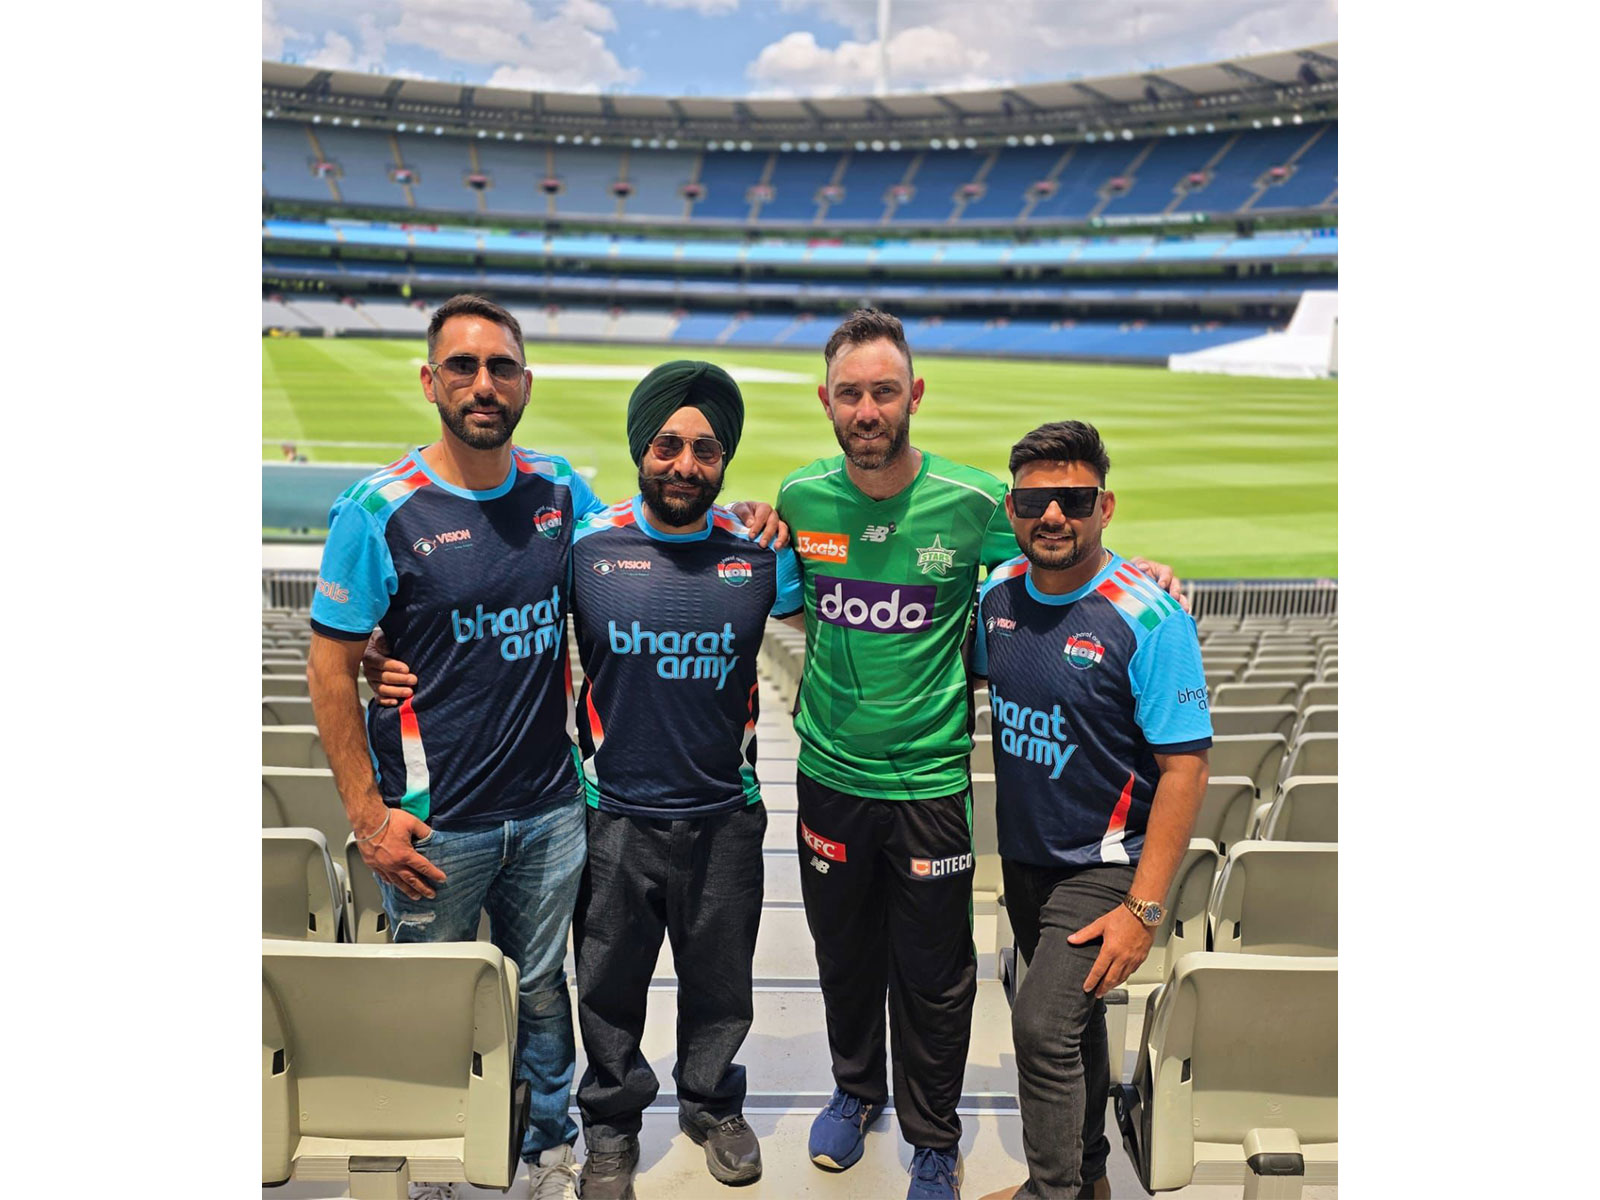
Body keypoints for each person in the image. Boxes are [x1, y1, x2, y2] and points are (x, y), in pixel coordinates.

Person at [308, 297, 780, 1200]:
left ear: (525, 382)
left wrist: (756, 514)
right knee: (431, 997)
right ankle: (437, 1154)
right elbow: (328, 667)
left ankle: (557, 1139)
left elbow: (654, 530)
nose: (483, 384)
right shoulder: (378, 509)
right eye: (462, 366)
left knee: (544, 991)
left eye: (501, 367)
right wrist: (369, 817)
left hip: (555, 809)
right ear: (431, 380)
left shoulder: (562, 495)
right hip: (435, 821)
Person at [776, 309, 1185, 1200]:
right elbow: (783, 595)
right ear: (827, 401)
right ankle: (855, 1091)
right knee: (842, 955)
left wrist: (1143, 570)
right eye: (851, 393)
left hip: (930, 785)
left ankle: (933, 1138)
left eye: (885, 390)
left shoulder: (971, 504)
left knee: (936, 976)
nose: (868, 409)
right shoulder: (799, 498)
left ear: (914, 394)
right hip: (829, 777)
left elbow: (1063, 551)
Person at [566, 362, 803, 1199]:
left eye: (706, 449)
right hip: (614, 813)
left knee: (721, 983)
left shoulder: (760, 552)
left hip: (724, 813)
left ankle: (711, 1105)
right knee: (607, 987)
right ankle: (611, 1126)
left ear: (724, 459)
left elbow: (850, 614)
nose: (685, 464)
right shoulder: (584, 547)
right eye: (667, 444)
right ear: (642, 448)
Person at [971, 421, 1211, 1200]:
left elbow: (1186, 770)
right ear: (1012, 509)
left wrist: (1144, 908)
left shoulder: (1152, 617)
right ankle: (1093, 1177)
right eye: (1032, 501)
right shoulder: (996, 596)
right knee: (1074, 1025)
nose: (1052, 515)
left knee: (1040, 1028)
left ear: (1104, 506)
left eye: (1073, 500)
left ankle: (1051, 1192)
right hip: (1027, 859)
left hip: (1106, 868)